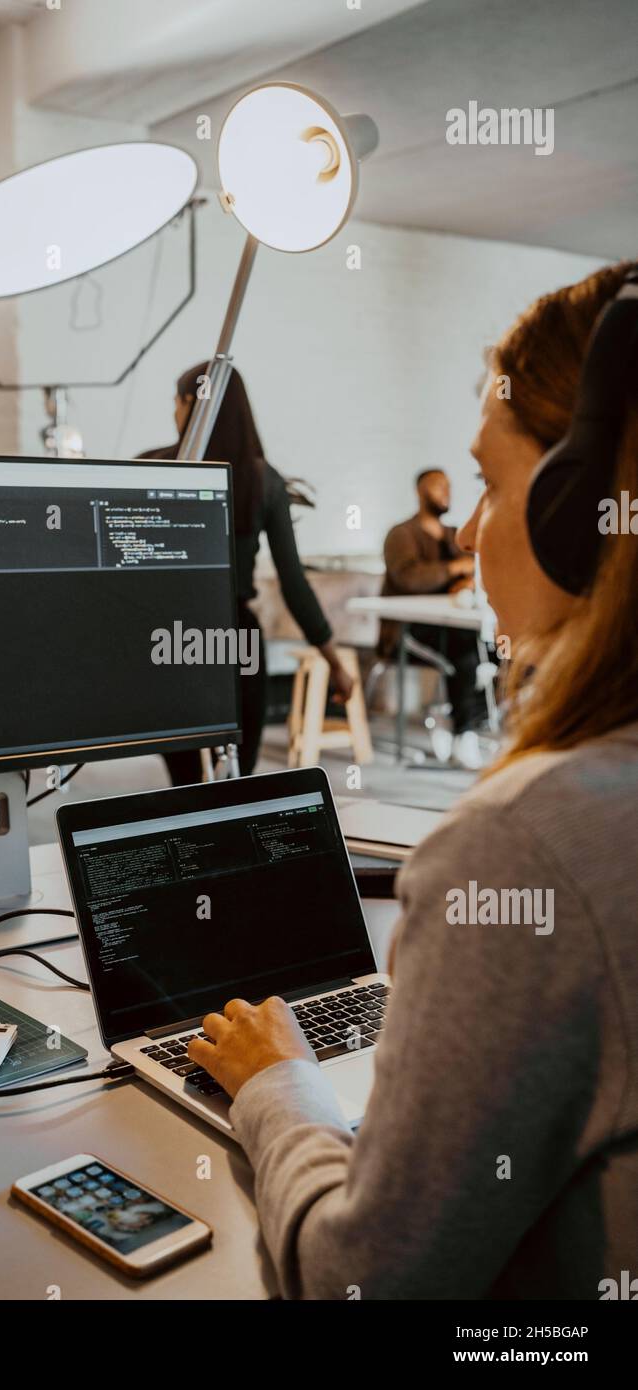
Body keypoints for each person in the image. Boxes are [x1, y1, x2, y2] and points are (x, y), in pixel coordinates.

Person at [186, 261, 638, 1299]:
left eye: (487, 479)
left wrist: (273, 1082)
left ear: (580, 504)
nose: (470, 529)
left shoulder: (531, 843)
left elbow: (361, 1279)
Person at [141, 362, 354, 784]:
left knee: (184, 782)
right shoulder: (262, 479)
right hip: (234, 635)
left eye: (175, 402)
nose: (173, 413)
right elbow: (294, 582)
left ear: (190, 403)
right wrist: (335, 660)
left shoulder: (152, 467)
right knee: (239, 777)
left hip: (169, 635)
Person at [380, 468, 488, 765]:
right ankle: (463, 731)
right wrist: (455, 570)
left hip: (455, 626)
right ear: (420, 491)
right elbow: (409, 579)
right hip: (409, 631)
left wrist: (464, 581)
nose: (446, 492)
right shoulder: (401, 535)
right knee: (466, 651)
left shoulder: (454, 536)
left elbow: (469, 572)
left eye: (449, 487)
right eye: (438, 486)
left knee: (502, 652)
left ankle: (461, 720)